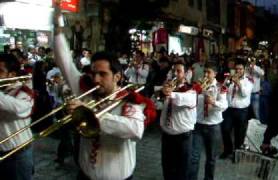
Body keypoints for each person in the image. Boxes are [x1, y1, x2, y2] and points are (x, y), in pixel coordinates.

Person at [54, 13, 156, 179]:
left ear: (117, 77)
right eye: (94, 73)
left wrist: (91, 114)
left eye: (103, 74)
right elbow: (65, 63)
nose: (95, 79)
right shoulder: (85, 89)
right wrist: (58, 30)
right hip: (84, 175)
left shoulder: (129, 100)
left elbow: (135, 129)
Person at [159, 61, 198, 180]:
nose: (175, 74)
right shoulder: (168, 87)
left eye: (179, 71)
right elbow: (157, 104)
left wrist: (170, 94)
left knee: (182, 171)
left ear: (186, 74)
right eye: (173, 71)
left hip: (183, 137)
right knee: (167, 169)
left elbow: (186, 100)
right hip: (167, 135)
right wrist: (160, 94)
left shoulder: (191, 89)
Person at [189, 64, 228, 180]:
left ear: (215, 73)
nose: (206, 75)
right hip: (198, 124)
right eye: (205, 72)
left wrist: (214, 102)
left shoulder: (220, 87)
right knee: (194, 157)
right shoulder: (198, 86)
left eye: (209, 72)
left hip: (213, 126)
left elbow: (225, 106)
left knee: (211, 158)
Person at [0, 53, 34, 180]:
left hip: (17, 155)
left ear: (12, 75)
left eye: (0, 71)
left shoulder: (23, 91)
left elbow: (16, 108)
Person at [220, 60, 253, 159]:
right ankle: (228, 150)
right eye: (236, 69)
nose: (238, 71)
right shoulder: (229, 78)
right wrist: (227, 82)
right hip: (229, 109)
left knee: (239, 134)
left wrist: (238, 83)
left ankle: (237, 153)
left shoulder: (249, 80)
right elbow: (223, 90)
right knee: (225, 130)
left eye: (240, 69)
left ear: (244, 70)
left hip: (242, 110)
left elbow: (244, 94)